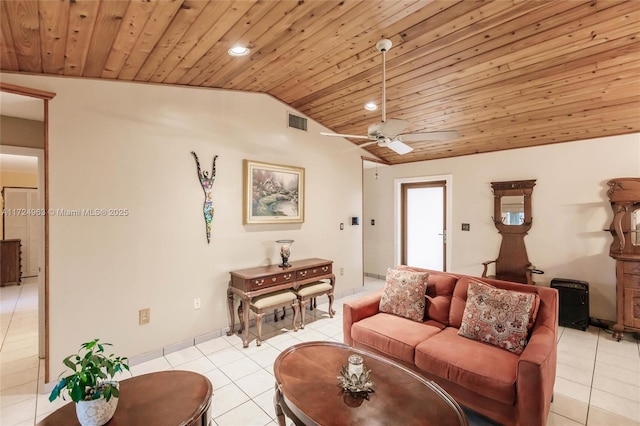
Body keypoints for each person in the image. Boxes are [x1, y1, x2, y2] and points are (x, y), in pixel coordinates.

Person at [191, 151, 218, 244]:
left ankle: (209, 235)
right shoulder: (206, 182)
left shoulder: (209, 182)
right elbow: (199, 171)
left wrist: (214, 161)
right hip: (207, 204)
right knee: (208, 223)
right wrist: (196, 157)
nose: (206, 174)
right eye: (205, 173)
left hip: (209, 205)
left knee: (209, 223)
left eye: (207, 173)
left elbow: (214, 173)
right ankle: (208, 236)